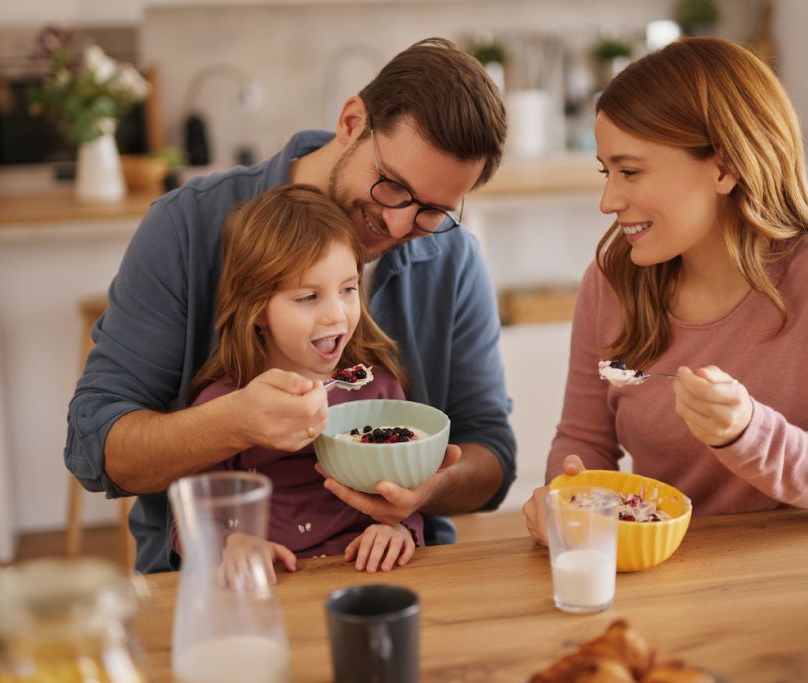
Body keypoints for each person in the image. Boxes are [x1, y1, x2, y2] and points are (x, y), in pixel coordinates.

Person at [66, 38, 516, 574]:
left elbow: (492, 454)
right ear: (352, 122)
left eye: (432, 210)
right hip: (222, 581)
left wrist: (424, 488)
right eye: (393, 185)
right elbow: (95, 448)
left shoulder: (451, 256)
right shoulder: (188, 227)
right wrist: (234, 423)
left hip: (394, 570)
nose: (399, 226)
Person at [523, 37, 808, 542]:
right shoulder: (610, 282)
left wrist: (747, 433)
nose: (608, 200)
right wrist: (566, 501)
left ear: (725, 167)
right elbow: (584, 438)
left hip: (804, 579)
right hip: (662, 569)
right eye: (606, 171)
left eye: (630, 171)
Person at [173, 185, 421, 581]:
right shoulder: (221, 408)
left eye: (348, 289)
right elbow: (189, 518)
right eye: (308, 296)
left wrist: (398, 530)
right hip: (265, 586)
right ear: (257, 309)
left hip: (365, 577)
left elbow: (406, 495)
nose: (335, 314)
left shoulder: (380, 391)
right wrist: (229, 545)